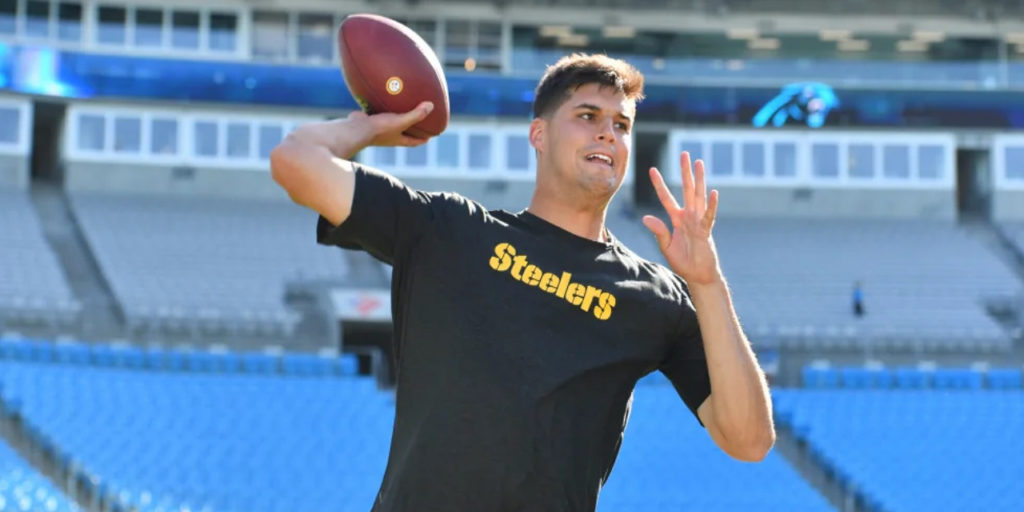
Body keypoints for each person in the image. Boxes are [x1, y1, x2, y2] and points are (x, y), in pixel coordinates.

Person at [270, 53, 774, 512]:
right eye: (587, 116)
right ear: (538, 134)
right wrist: (368, 127)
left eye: (621, 125)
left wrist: (707, 283)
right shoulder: (452, 230)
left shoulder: (655, 297)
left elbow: (749, 440)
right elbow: (295, 162)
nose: (608, 134)